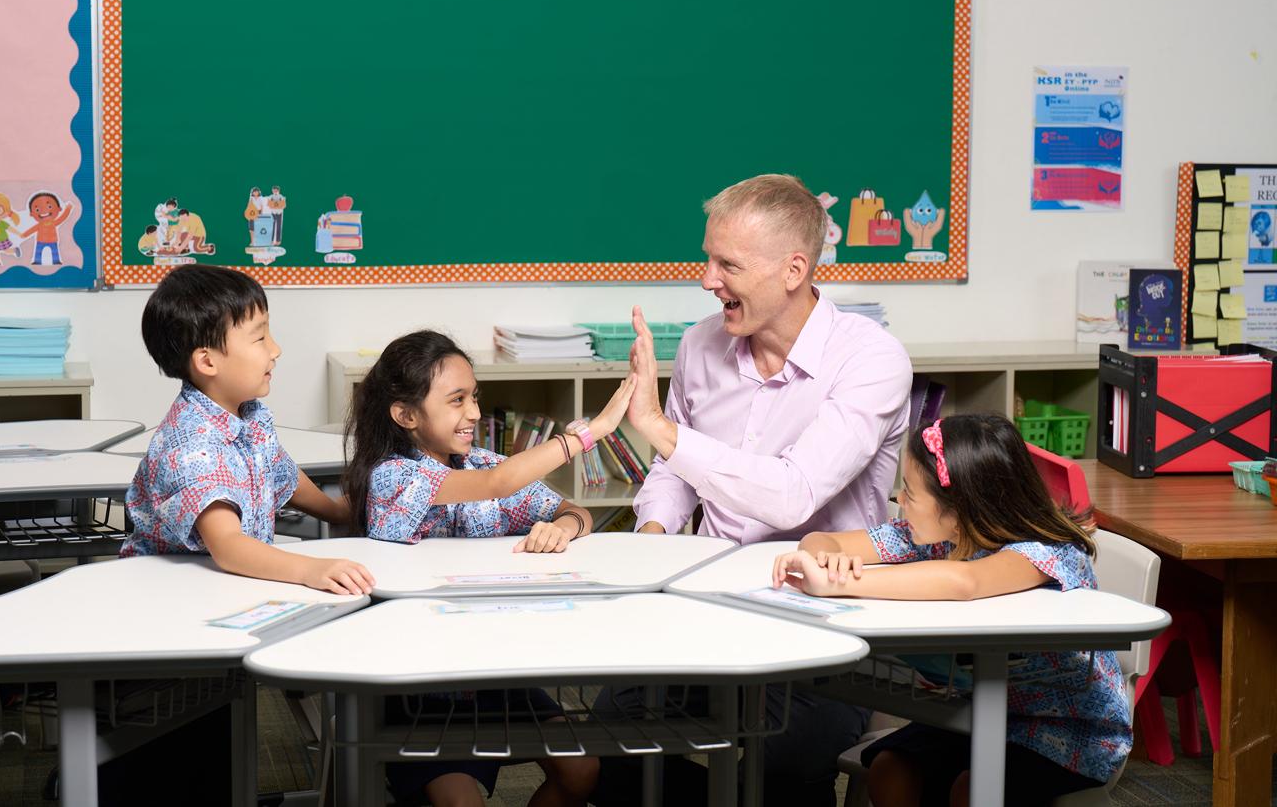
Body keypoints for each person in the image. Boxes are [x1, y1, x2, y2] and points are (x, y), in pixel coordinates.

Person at [596, 174, 913, 806]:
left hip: (823, 622)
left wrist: (660, 429)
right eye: (707, 258)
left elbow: (794, 495)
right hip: (705, 604)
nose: (707, 279)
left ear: (794, 269)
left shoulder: (871, 361)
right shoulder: (698, 344)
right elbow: (676, 469)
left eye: (727, 264)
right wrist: (654, 534)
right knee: (613, 734)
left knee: (785, 767)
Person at [772, 414, 1130, 807]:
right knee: (890, 770)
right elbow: (825, 540)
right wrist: (821, 558)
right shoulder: (933, 534)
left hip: (1068, 731)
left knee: (971, 791)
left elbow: (966, 582)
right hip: (972, 716)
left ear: (958, 510)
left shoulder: (1047, 552)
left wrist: (835, 584)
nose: (899, 500)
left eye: (909, 491)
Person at [344, 329, 636, 806]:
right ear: (406, 415)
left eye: (474, 397)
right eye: (457, 400)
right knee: (464, 803)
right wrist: (588, 433)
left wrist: (563, 527)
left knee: (581, 769)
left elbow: (575, 510)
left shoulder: (480, 461)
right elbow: (498, 483)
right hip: (423, 691)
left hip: (497, 676)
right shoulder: (392, 477)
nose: (475, 414)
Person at [121, 266, 374, 597]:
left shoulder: (248, 413)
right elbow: (228, 545)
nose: (275, 349)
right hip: (172, 597)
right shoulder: (190, 446)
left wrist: (336, 510)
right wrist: (312, 568)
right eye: (259, 338)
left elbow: (282, 472)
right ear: (208, 362)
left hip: (230, 581)